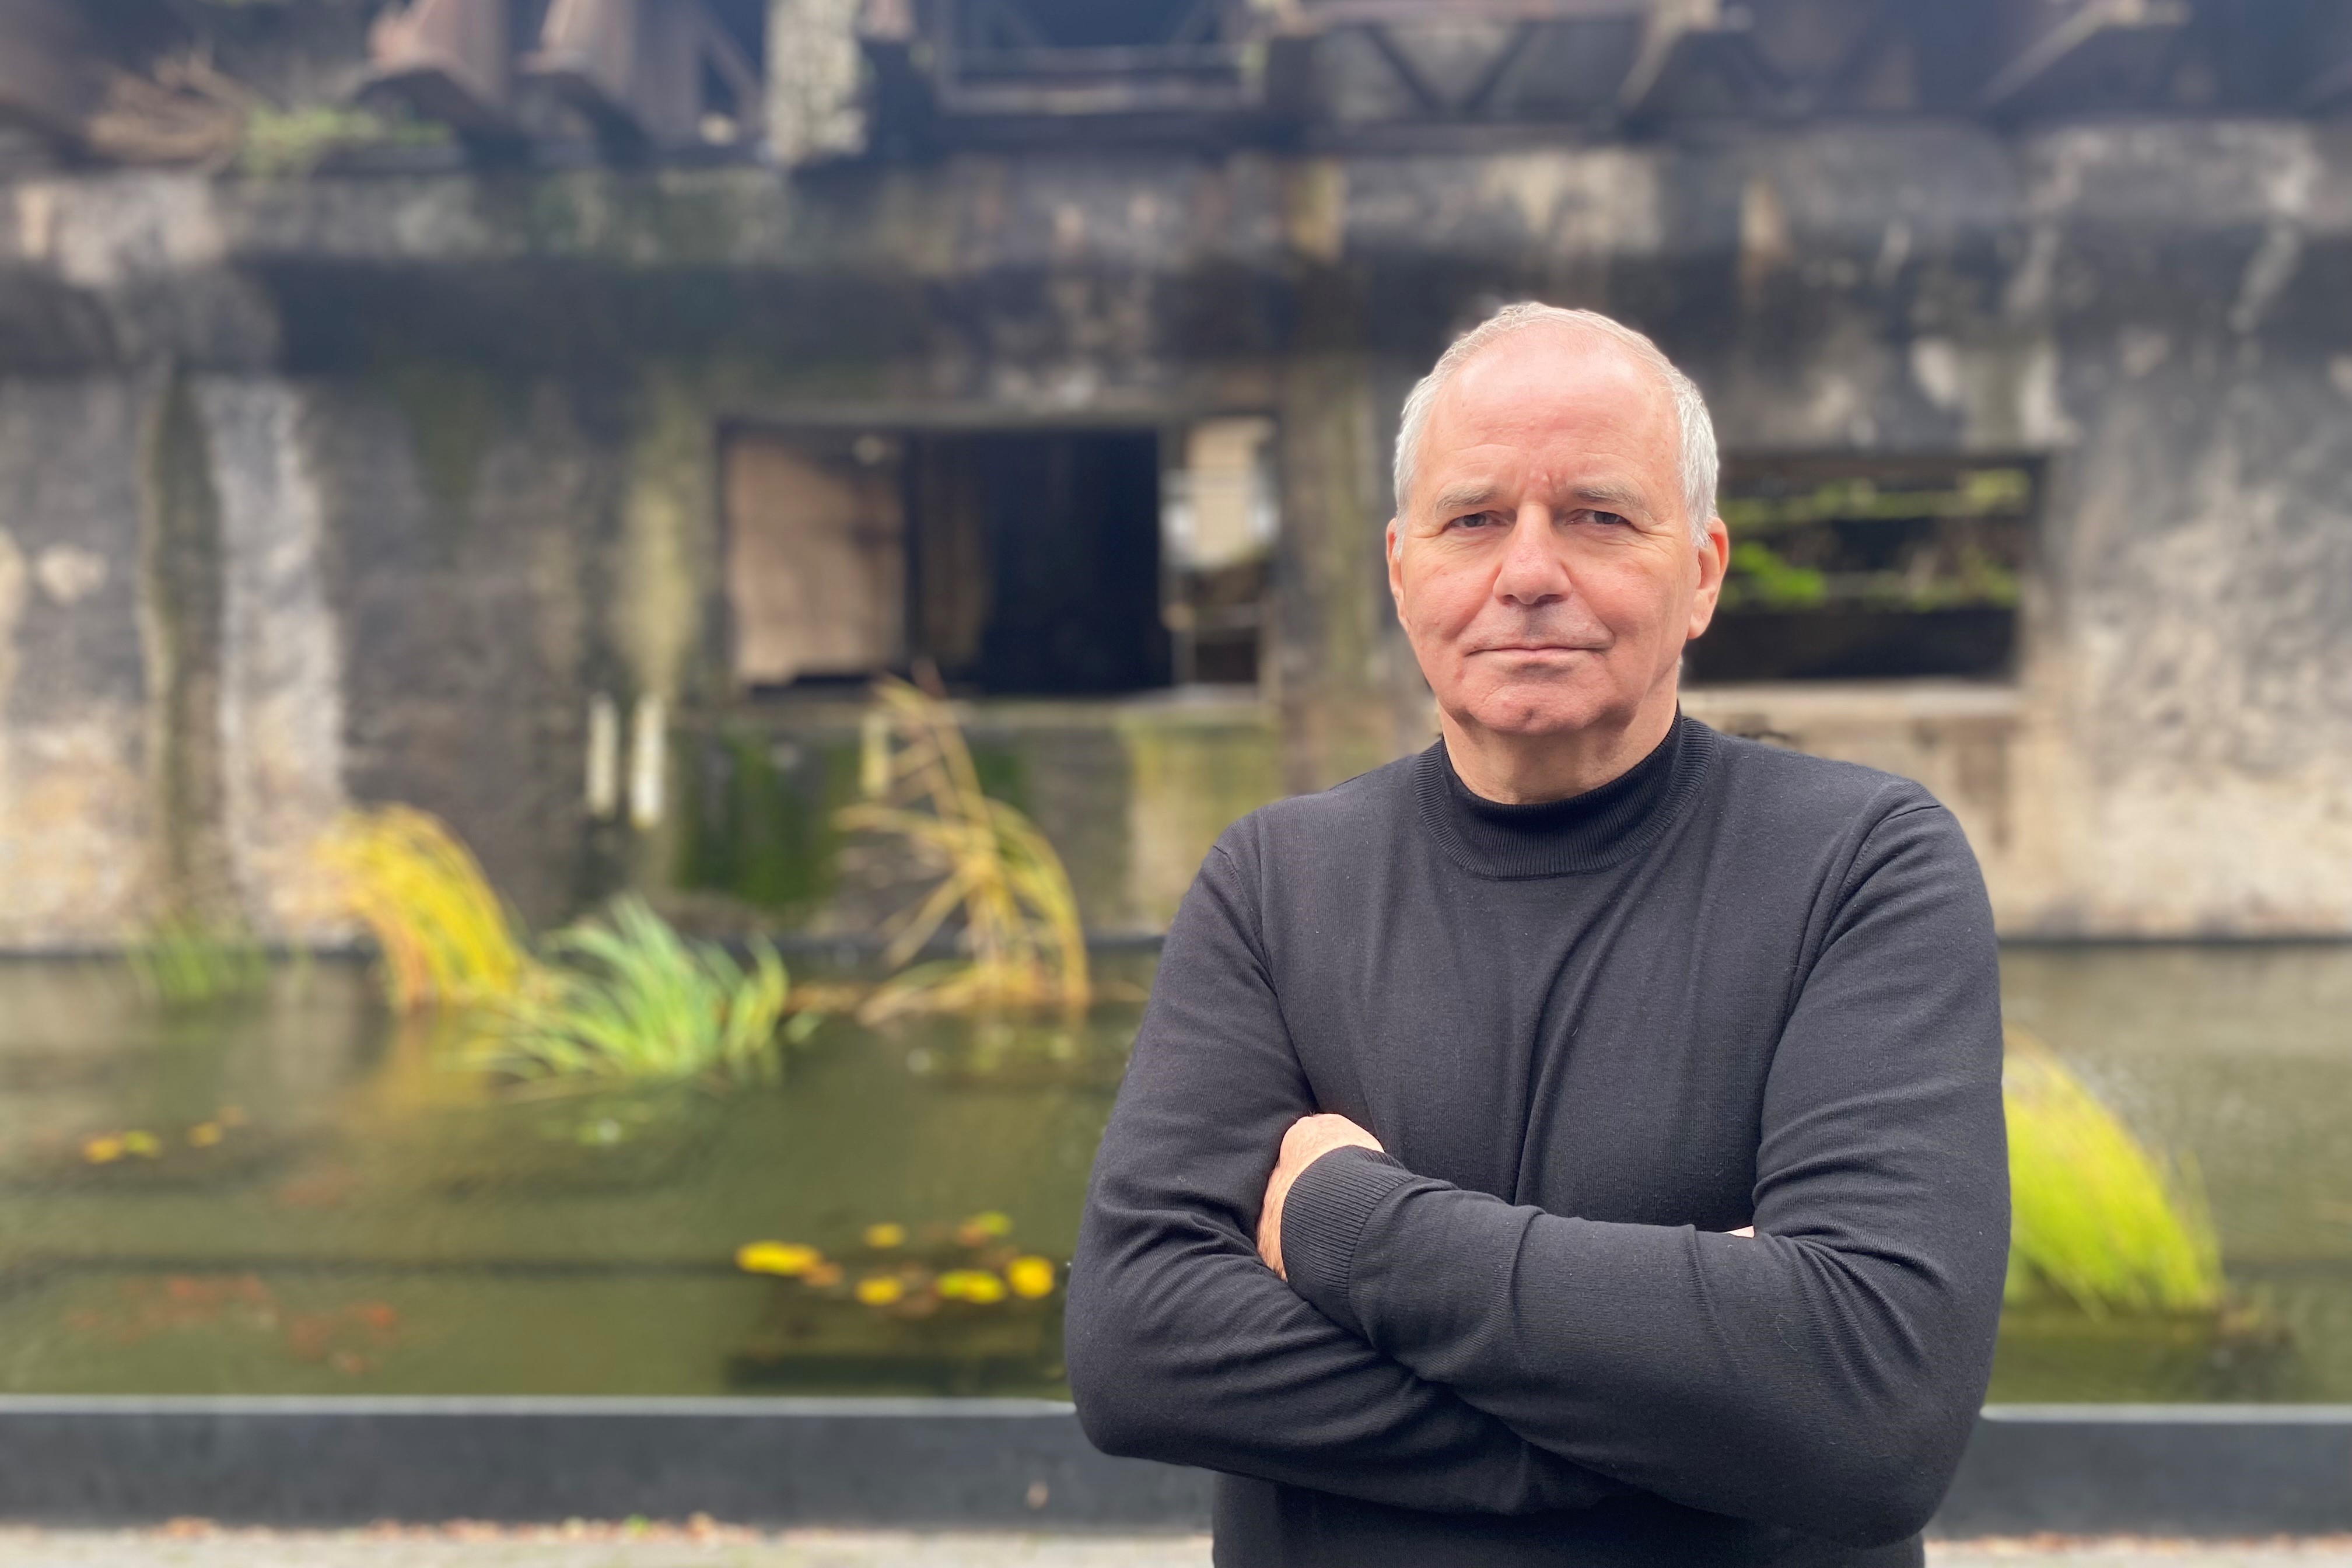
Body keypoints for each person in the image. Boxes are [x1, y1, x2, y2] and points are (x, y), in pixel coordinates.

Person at [1065, 303, 2009, 1567]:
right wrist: (1688, 1429)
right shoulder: (1274, 883)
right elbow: (1139, 1348)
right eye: (1473, 520)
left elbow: (1872, 1407)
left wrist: (1347, 1223)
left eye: (1598, 516)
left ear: (1703, 572)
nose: (1526, 573)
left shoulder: (1862, 866)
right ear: (1402, 571)